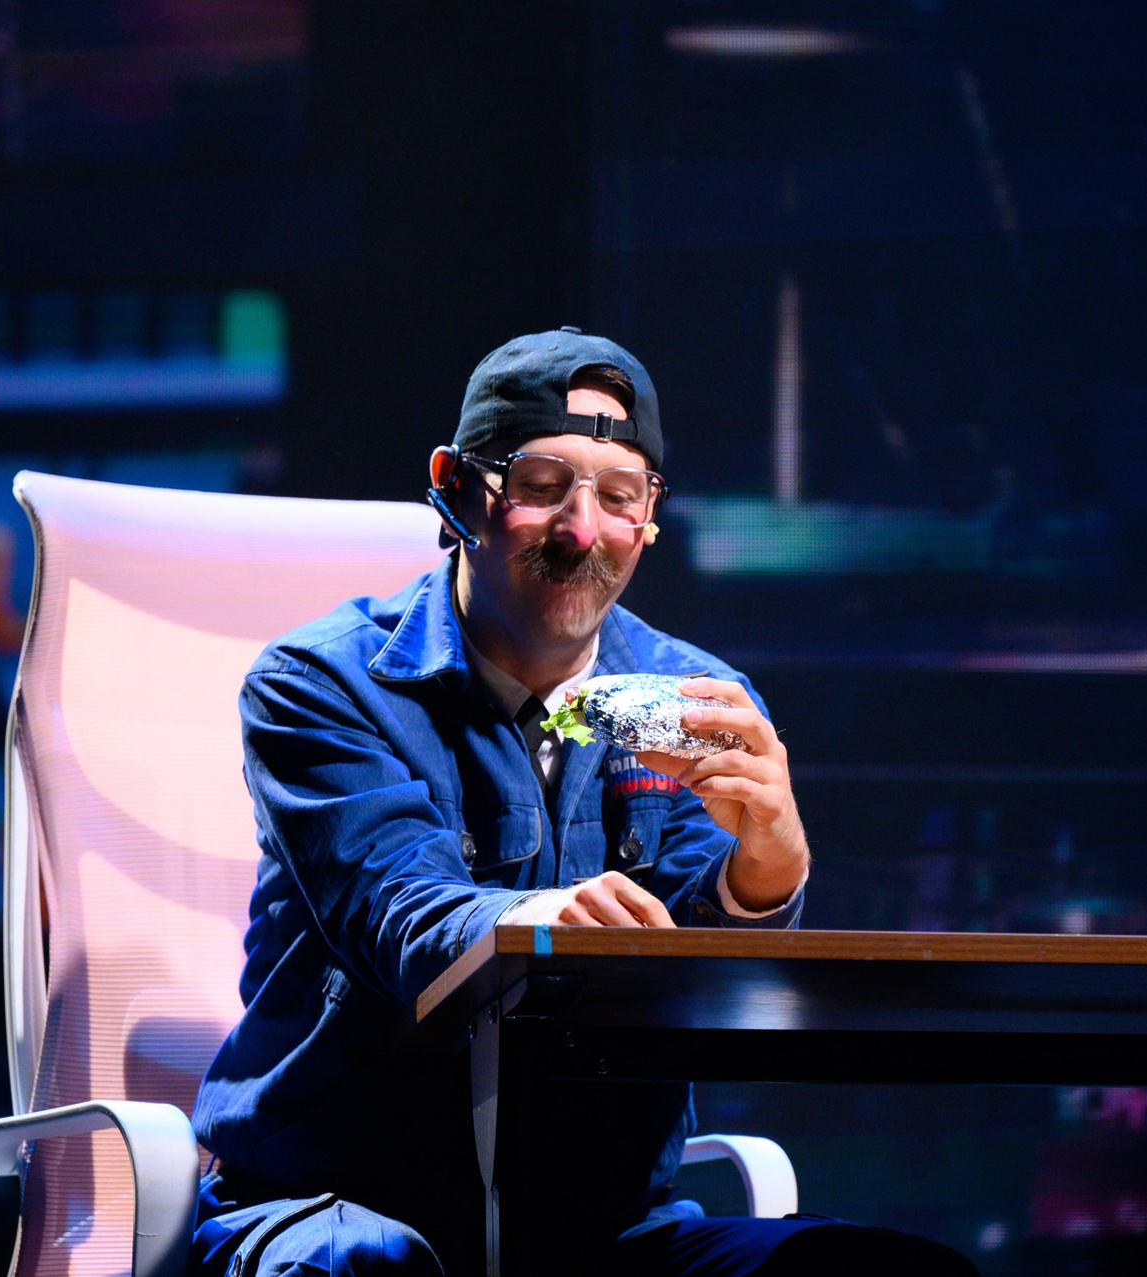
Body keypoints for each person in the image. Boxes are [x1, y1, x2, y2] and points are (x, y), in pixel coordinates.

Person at [189, 330, 976, 1276]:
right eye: (540, 483)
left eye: (620, 493)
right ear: (454, 487)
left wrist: (766, 879)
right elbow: (403, 915)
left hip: (601, 1230)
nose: (581, 529)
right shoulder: (323, 684)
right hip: (338, 1199)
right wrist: (545, 921)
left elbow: (701, 990)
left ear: (651, 517)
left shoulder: (699, 700)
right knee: (375, 1267)